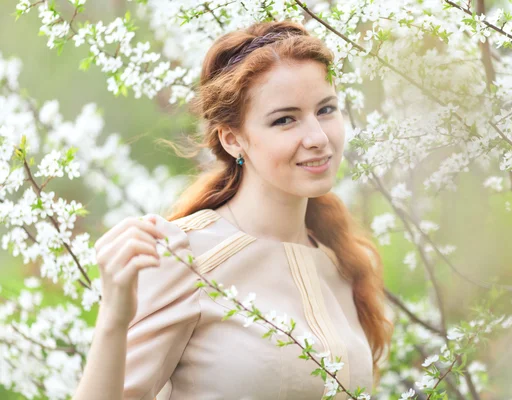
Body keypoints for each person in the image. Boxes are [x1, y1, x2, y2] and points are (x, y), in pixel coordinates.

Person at [73, 19, 394, 400]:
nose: (318, 138)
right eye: (285, 119)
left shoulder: (342, 264)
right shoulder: (184, 257)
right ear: (232, 139)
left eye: (326, 109)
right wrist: (113, 317)